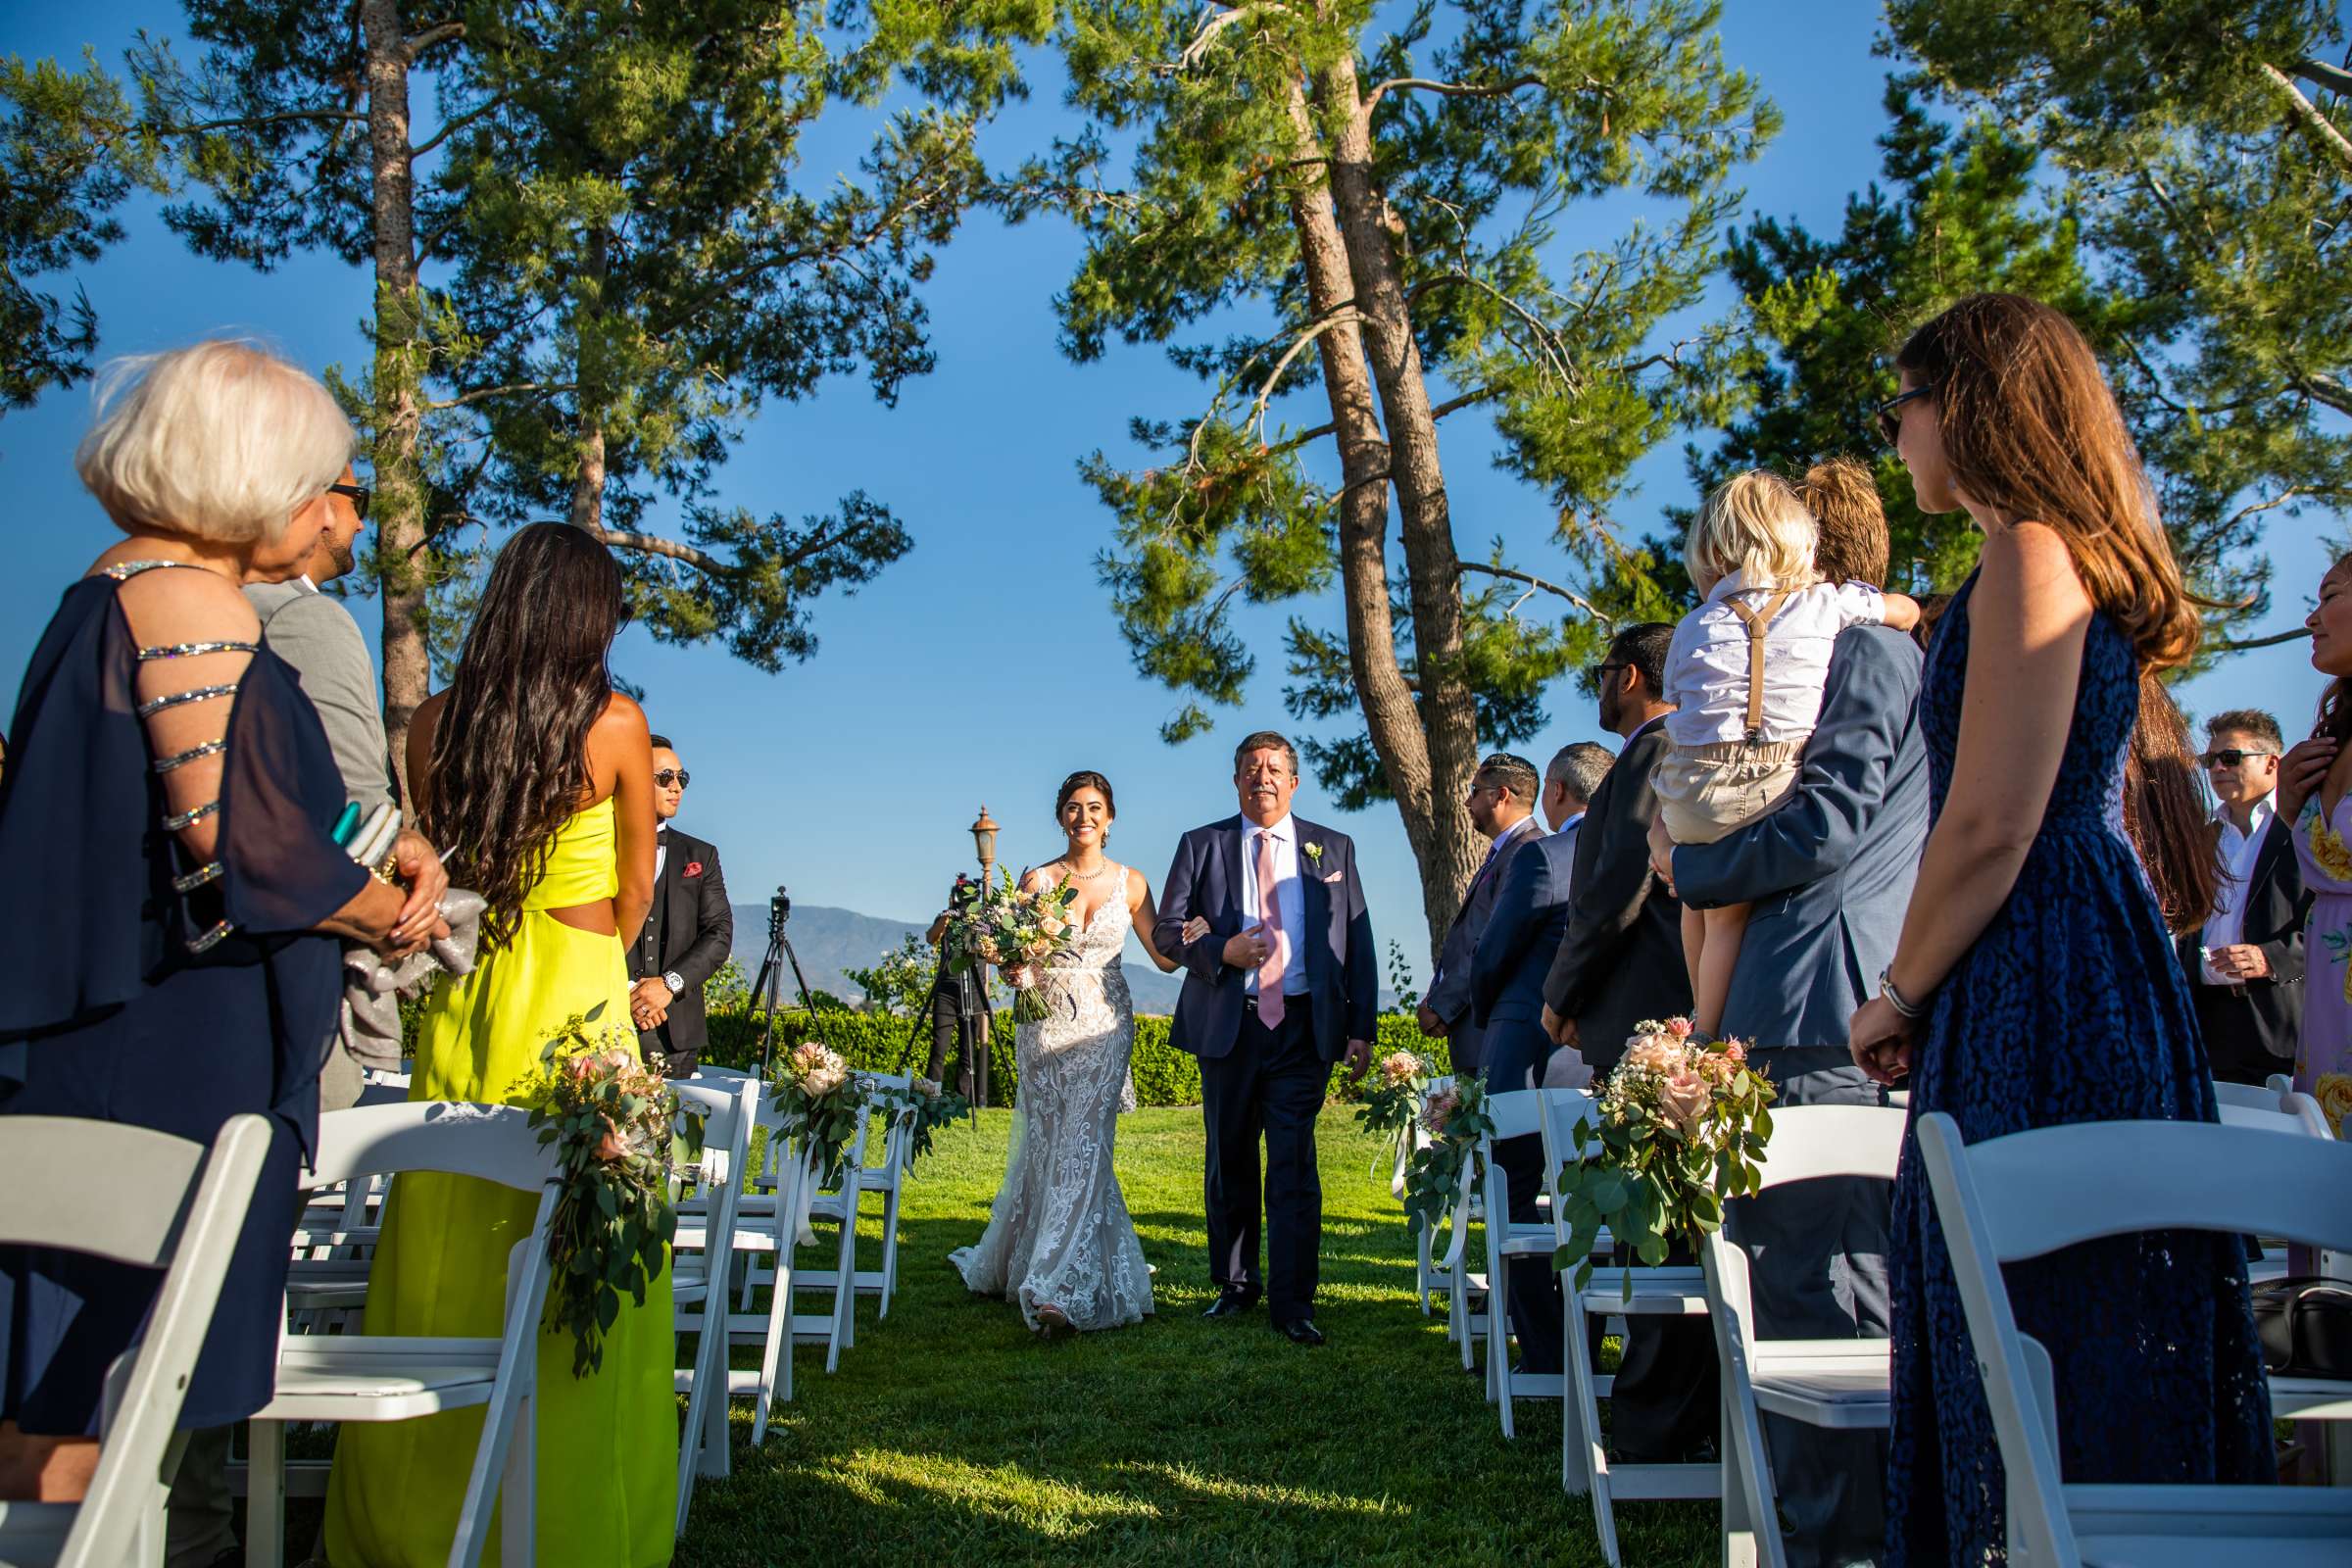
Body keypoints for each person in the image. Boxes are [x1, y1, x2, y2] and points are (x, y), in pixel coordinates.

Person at [1849, 292, 2274, 1566]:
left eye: (1903, 406)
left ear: (1966, 404)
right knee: (2047, 1301)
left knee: (2046, 1300)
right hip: (2054, 946)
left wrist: (1899, 993)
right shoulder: (2033, 556)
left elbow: (1988, 823)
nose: (1896, 435)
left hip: (2049, 961)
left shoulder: (2031, 553)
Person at [0, 341, 446, 1509]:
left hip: (111, 1032)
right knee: (109, 1418)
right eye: (319, 481)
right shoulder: (192, 597)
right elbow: (230, 839)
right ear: (250, 477)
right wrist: (386, 908)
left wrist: (365, 834)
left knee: (73, 1401)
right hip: (166, 1056)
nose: (326, 511)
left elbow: (215, 795)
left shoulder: (107, 594)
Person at [324, 522, 674, 1567]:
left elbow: (447, 865)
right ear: (585, 613)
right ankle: (569, 1521)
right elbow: (635, 889)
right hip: (575, 986)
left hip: (471, 995)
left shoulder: (432, 724)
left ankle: (417, 1517)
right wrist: (591, 965)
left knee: (443, 1235)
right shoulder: (617, 725)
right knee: (580, 1232)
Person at [1653, 453, 1927, 1568]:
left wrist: (1695, 875)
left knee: (1825, 1302)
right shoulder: (1863, 639)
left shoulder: (1872, 652)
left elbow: (1826, 827)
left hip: (1822, 1001)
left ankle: (1841, 1541)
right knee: (1797, 1293)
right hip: (1807, 997)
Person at [1652, 470, 1920, 1036]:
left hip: (1691, 789)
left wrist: (1678, 856)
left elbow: (1678, 697)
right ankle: (1703, 1031)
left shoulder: (1694, 624)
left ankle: (1697, 1018)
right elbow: (1900, 610)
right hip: (1770, 775)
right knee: (1724, 919)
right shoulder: (1829, 611)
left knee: (1697, 906)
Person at [1540, 625, 1707, 1462]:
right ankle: (1667, 1414)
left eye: (1603, 672)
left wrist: (1560, 995)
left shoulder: (1654, 749)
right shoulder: (1674, 747)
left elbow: (1610, 891)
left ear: (1632, 675)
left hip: (1645, 1014)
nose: (1598, 687)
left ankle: (1656, 1423)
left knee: (1655, 1227)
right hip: (1644, 1011)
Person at [950, 771, 1198, 1334]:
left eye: (1094, 807)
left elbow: (1162, 956)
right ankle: (1028, 1257)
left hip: (1107, 1025)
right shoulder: (1037, 881)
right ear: (1061, 816)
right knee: (1050, 1144)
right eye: (1073, 807)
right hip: (1045, 1026)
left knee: (1086, 1143)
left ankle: (1057, 1287)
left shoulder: (1131, 883)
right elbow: (1010, 951)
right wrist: (1016, 967)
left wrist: (1196, 935)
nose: (1083, 816)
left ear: (1110, 818)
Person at [1154, 732, 1377, 1348]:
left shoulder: (1333, 847)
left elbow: (1357, 942)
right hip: (1229, 1023)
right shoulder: (1203, 844)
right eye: (1251, 768)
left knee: (1294, 1162)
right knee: (1228, 1160)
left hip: (1304, 1027)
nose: (1264, 777)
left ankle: (1294, 1300)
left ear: (1294, 781)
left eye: (1275, 768)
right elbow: (1168, 931)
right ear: (1235, 781)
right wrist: (1220, 950)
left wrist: (1362, 1027)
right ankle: (1236, 1284)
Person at [243, 464, 400, 1120]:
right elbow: (359, 816)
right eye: (356, 499)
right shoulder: (303, 621)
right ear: (312, 503)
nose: (363, 520)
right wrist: (396, 909)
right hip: (279, 992)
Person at [1465, 739, 1610, 1378]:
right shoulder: (1631, 858)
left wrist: (1489, 1013)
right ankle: (1588, 1333)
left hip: (1528, 1052)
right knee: (1593, 1201)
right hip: (1601, 1058)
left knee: (1514, 1195)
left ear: (1556, 792)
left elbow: (1493, 955)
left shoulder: (1546, 858)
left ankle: (1546, 1352)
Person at [2180, 709, 2307, 1089]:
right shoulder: (2201, 839)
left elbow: (2334, 926)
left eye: (2231, 757)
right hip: (2205, 1026)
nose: (2218, 768)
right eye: (2210, 760)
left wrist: (2269, 957)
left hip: (2280, 1019)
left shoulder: (2304, 828)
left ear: (2272, 763)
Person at [2278, 552, 2352, 1137]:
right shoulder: (2325, 747)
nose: (2311, 619)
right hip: (2328, 1011)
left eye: (2329, 596)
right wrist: (2288, 810)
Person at [1418, 753, 1546, 1077]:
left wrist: (1442, 1005)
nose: (1466, 801)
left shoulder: (1527, 854)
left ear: (1500, 795)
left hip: (1492, 1029)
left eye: (1474, 791)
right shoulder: (1506, 853)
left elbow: (1493, 942)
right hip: (1477, 1029)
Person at [627, 734, 733, 1078]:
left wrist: (668, 984)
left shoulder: (701, 856)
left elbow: (719, 933)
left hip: (676, 1037)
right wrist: (628, 991)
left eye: (681, 778)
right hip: (608, 1019)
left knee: (670, 1133)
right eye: (665, 778)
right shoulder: (603, 848)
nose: (677, 787)